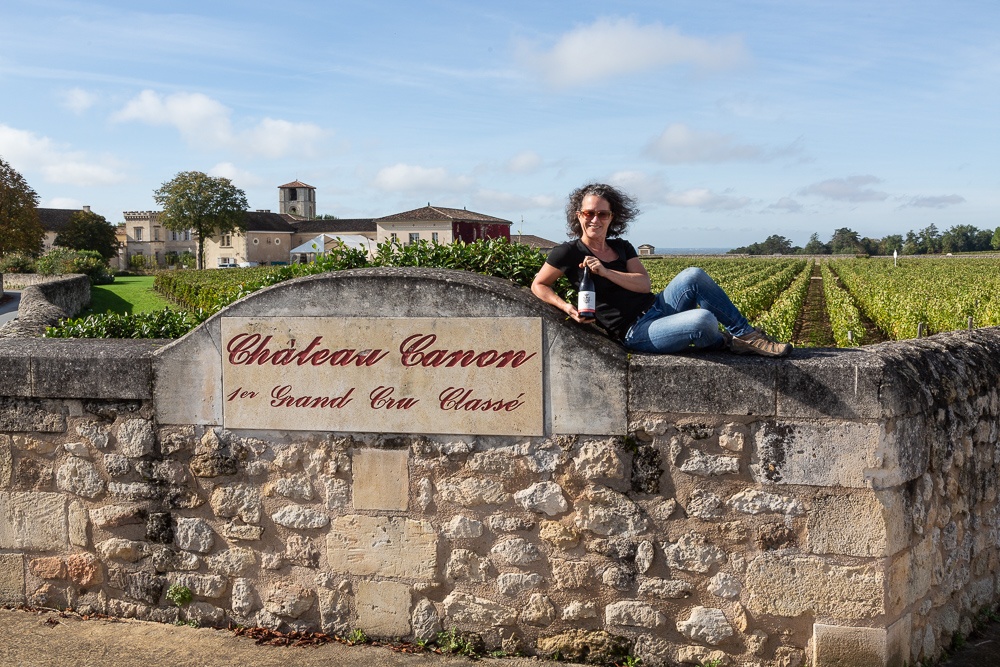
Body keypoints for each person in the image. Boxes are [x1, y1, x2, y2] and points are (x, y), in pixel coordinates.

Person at [531, 183, 792, 357]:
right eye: (589, 213)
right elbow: (539, 285)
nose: (595, 220)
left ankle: (747, 335)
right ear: (579, 216)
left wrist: (607, 272)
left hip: (657, 308)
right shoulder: (568, 252)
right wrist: (567, 308)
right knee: (703, 320)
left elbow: (643, 285)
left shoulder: (622, 247)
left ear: (613, 217)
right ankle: (723, 343)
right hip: (635, 332)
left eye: (603, 214)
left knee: (693, 274)